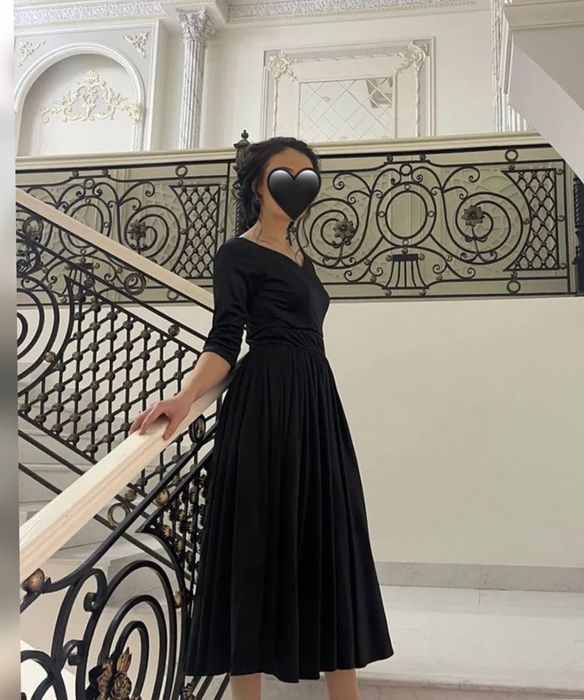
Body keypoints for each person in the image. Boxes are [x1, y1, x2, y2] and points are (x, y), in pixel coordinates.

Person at [129, 136, 394, 700]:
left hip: (317, 403)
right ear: (257, 185)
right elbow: (225, 338)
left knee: (330, 539)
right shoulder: (237, 254)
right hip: (267, 402)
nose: (296, 186)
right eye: (283, 175)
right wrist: (184, 398)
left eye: (306, 177)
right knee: (254, 543)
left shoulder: (302, 258)